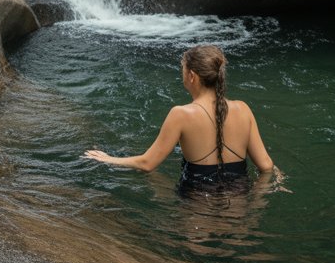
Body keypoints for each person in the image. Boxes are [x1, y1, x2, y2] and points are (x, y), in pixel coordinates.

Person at [83, 44, 277, 191]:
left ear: (192, 76)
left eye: (182, 70)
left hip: (198, 198)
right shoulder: (243, 109)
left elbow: (147, 164)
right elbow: (266, 166)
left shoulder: (181, 114)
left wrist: (109, 159)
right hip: (239, 196)